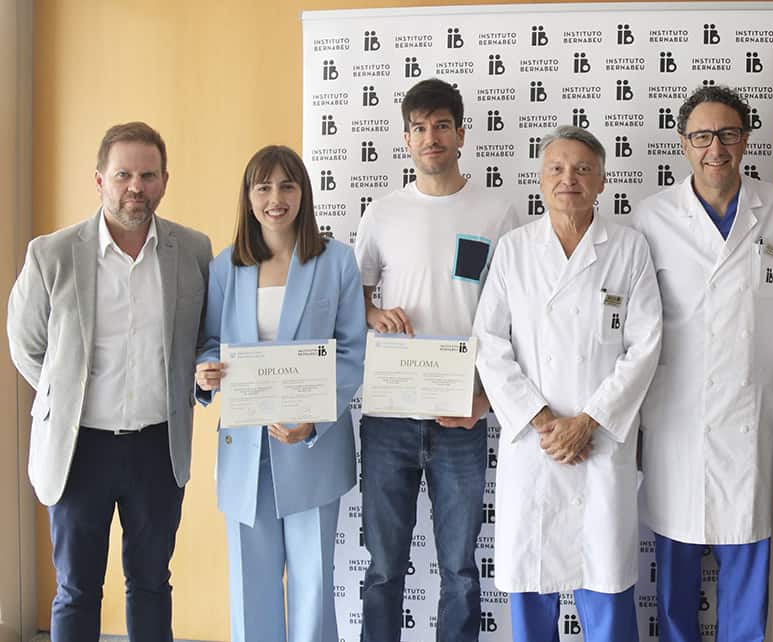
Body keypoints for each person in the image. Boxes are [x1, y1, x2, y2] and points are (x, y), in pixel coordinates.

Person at [6, 122, 212, 642]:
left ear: (165, 180)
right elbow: (26, 346)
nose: (135, 187)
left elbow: (204, 337)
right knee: (76, 589)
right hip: (79, 449)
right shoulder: (50, 254)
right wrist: (66, 400)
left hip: (157, 447)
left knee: (150, 584)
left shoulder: (192, 251)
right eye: (123, 175)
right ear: (99, 179)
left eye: (147, 175)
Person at [473, 125, 662, 641]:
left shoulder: (628, 248)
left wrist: (589, 421)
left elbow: (645, 344)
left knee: (605, 585)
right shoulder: (514, 250)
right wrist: (543, 420)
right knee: (532, 589)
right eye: (556, 168)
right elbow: (488, 341)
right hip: (535, 447)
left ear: (603, 181)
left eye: (582, 169)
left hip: (599, 446)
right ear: (540, 179)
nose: (568, 179)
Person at [632, 85, 773, 642]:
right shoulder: (653, 216)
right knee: (676, 563)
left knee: (749, 558)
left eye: (728, 134)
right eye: (702, 136)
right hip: (678, 411)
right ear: (684, 144)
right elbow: (638, 320)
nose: (716, 148)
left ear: (745, 139)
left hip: (752, 411)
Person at [353, 77, 519, 642]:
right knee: (382, 570)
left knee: (460, 572)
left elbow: (517, 314)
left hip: (462, 414)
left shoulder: (498, 212)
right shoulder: (383, 213)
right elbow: (355, 293)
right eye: (420, 128)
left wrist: (483, 402)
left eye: (442, 125)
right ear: (405, 139)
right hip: (389, 415)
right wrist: (372, 314)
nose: (432, 137)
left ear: (461, 133)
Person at [193, 145, 365, 642]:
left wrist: (318, 418)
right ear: (248, 197)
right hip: (246, 449)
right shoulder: (226, 267)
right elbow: (209, 342)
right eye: (263, 186)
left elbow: (352, 349)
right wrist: (205, 373)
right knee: (251, 584)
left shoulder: (336, 262)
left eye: (287, 185)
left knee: (313, 584)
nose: (275, 197)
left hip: (311, 445)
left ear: (303, 194)